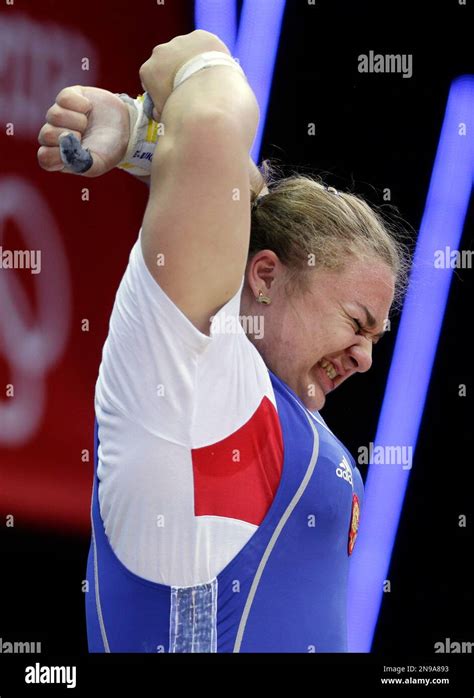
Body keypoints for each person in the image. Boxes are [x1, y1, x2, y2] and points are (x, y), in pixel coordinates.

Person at [37, 30, 409, 653]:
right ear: (264, 275)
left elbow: (224, 174)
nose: (366, 358)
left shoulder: (263, 409)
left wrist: (140, 138)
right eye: (355, 322)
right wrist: (172, 101)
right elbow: (203, 102)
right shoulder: (196, 373)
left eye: (378, 336)